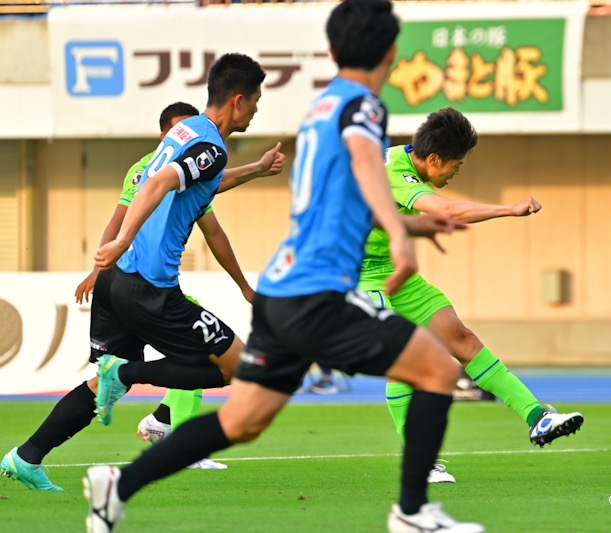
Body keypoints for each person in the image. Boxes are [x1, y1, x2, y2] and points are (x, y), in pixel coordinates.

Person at [82, 1, 484, 532]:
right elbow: (367, 167)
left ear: (334, 51)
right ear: (390, 53)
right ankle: (412, 512)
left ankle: (119, 484)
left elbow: (334, 205)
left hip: (282, 288)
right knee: (437, 370)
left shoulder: (321, 110)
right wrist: (402, 236)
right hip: (320, 292)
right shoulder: (364, 107)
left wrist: (404, 227)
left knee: (242, 419)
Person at [0, 53, 279, 492]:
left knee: (99, 383)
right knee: (236, 369)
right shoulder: (209, 146)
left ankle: (26, 456)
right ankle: (130, 378)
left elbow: (196, 180)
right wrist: (125, 239)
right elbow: (158, 184)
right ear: (239, 101)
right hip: (149, 287)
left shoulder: (184, 134)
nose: (259, 108)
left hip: (116, 282)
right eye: (258, 99)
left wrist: (258, 170)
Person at [360, 107, 584, 484]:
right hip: (352, 274)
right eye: (456, 166)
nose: (454, 173)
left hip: (390, 271)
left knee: (461, 338)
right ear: (433, 159)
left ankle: (537, 417)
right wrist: (509, 209)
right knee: (406, 357)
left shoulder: (403, 157)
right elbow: (446, 211)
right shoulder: (394, 173)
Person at [73, 101, 284, 471]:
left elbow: (215, 223)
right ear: (166, 136)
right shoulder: (145, 172)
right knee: (216, 360)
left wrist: (257, 168)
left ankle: (163, 422)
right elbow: (120, 218)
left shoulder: (195, 172)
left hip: (152, 286)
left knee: (201, 357)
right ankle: (165, 424)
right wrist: (102, 261)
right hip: (140, 285)